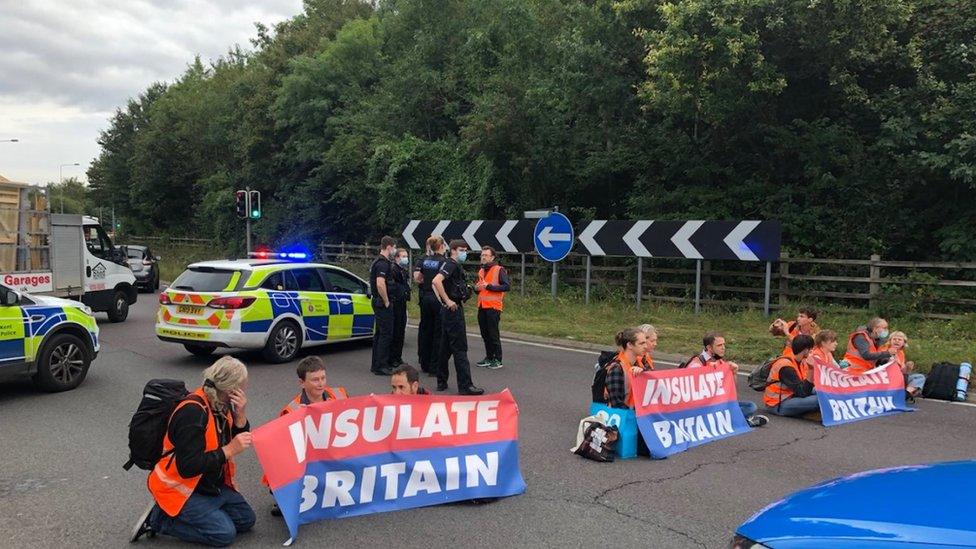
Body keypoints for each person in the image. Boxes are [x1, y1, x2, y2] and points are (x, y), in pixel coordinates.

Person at [130, 356, 255, 546]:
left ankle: (205, 511)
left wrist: (241, 417)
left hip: (209, 484)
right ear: (230, 389)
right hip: (182, 487)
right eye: (242, 385)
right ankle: (158, 520)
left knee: (246, 520)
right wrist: (228, 451)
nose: (244, 390)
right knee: (224, 534)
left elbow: (235, 438)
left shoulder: (223, 404)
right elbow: (188, 466)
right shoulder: (192, 413)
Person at [265, 356, 347, 516]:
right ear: (302, 383)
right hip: (308, 459)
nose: (321, 383)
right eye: (315, 380)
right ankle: (286, 496)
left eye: (323, 378)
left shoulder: (340, 394)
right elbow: (284, 452)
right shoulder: (291, 411)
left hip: (334, 454)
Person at [431, 239, 484, 395]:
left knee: (445, 348)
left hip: (448, 311)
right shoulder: (451, 265)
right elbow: (436, 281)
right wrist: (447, 300)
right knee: (460, 349)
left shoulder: (450, 265)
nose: (464, 253)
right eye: (461, 250)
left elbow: (441, 285)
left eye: (466, 250)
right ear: (453, 250)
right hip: (453, 312)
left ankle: (441, 381)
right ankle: (465, 385)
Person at [685, 332, 769, 427]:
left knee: (750, 406)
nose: (723, 348)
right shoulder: (696, 365)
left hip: (717, 404)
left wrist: (734, 374)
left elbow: (732, 395)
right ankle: (743, 422)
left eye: (724, 344)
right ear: (709, 348)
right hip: (701, 407)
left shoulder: (719, 361)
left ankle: (730, 421)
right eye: (719, 345)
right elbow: (689, 394)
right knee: (743, 409)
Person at [414, 235, 447, 376]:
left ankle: (425, 362)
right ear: (440, 246)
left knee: (426, 330)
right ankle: (435, 366)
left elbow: (418, 278)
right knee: (438, 333)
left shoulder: (425, 261)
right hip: (438, 299)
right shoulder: (444, 262)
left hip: (425, 297)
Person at [764, 335, 819, 417]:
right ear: (805, 350)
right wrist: (811, 369)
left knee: (821, 392)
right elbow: (802, 392)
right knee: (819, 400)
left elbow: (805, 384)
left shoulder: (800, 361)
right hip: (777, 404)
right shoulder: (786, 367)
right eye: (811, 349)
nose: (812, 352)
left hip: (790, 395)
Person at [475, 246, 510, 370]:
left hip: (493, 307)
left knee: (493, 334)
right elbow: (480, 288)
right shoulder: (481, 271)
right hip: (482, 306)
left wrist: (489, 286)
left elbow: (506, 286)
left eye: (486, 255)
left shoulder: (499, 270)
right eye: (482, 255)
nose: (483, 257)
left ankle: (498, 359)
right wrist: (476, 289)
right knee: (485, 334)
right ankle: (489, 357)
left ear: (492, 257)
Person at [369, 236, 397, 376]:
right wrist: (386, 301)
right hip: (382, 303)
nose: (395, 250)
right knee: (386, 334)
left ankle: (376, 364)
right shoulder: (383, 264)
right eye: (394, 247)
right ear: (389, 247)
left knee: (379, 334)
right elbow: (380, 283)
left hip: (378, 302)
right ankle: (382, 365)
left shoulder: (379, 262)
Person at [599, 328, 648, 409]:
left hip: (635, 417)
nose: (646, 346)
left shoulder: (641, 365)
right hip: (621, 418)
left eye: (645, 343)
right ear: (630, 345)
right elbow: (616, 403)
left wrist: (644, 373)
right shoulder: (616, 369)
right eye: (642, 343)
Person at [884, 331, 925, 398]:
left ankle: (906, 393)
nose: (896, 341)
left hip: (899, 378)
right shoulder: (885, 350)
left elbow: (903, 372)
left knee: (920, 377)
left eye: (899, 339)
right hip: (887, 378)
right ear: (890, 341)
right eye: (894, 339)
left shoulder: (901, 353)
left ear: (903, 343)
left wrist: (908, 367)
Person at [389, 247, 412, 369]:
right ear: (397, 257)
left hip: (402, 303)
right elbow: (394, 287)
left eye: (406, 256)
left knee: (400, 331)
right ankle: (393, 358)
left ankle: (398, 357)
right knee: (396, 331)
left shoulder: (402, 270)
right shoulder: (393, 269)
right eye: (403, 256)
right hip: (396, 303)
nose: (405, 258)